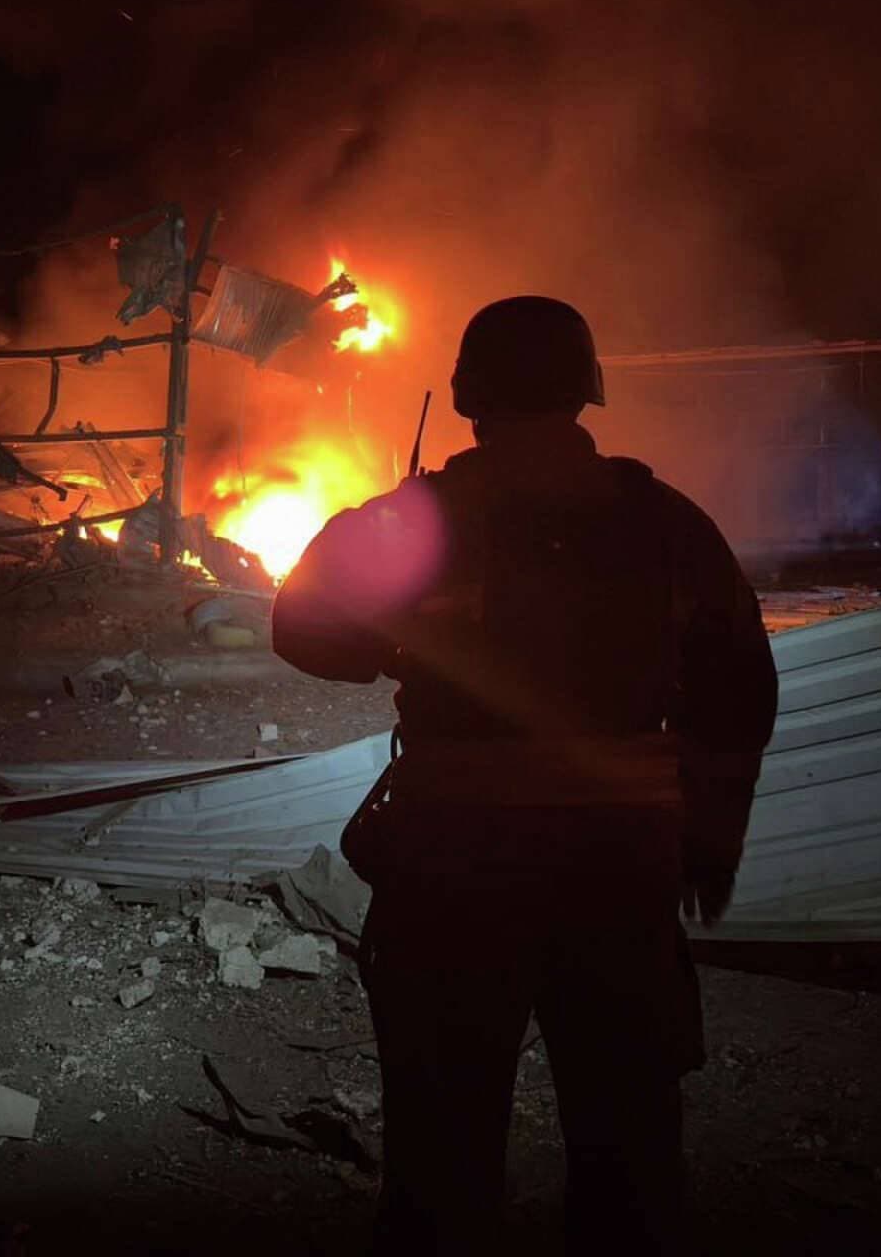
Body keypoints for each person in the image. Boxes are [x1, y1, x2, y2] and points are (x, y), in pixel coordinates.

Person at [273, 296, 779, 1256]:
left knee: (442, 1143)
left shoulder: (411, 517)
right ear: (587, 392)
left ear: (468, 396)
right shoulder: (668, 522)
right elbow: (740, 691)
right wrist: (714, 836)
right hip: (617, 869)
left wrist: (398, 648)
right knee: (628, 1144)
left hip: (451, 867)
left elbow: (300, 628)